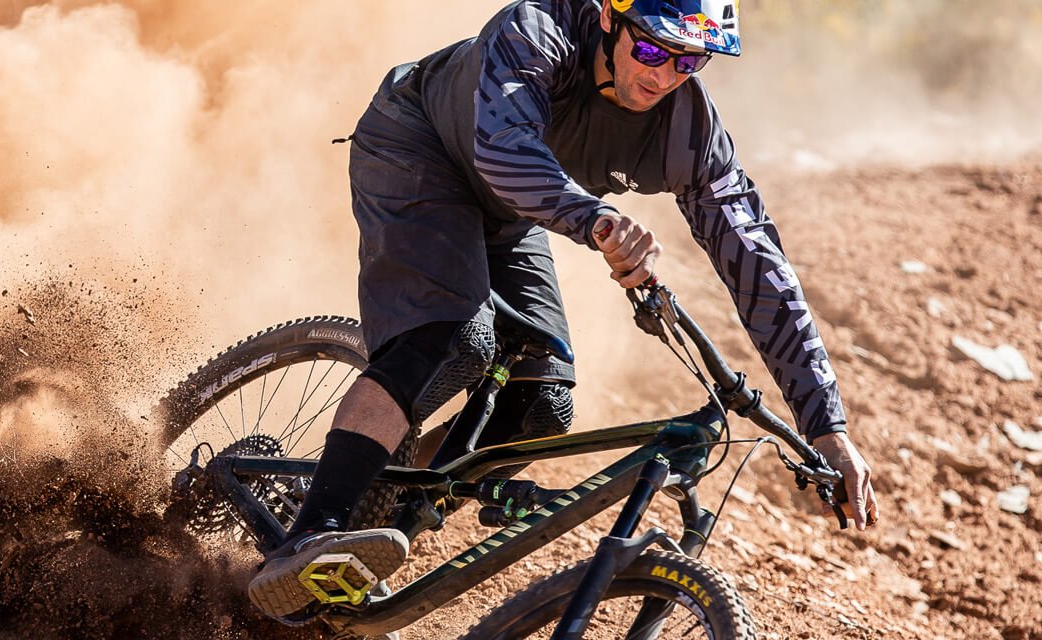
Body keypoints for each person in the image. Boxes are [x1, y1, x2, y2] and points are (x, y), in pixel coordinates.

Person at [247, 0, 880, 620]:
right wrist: (596, 217)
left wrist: (829, 427)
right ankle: (316, 527)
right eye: (654, 47)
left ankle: (373, 520)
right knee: (453, 336)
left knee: (542, 402)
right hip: (419, 146)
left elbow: (761, 272)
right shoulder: (537, 30)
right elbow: (502, 150)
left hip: (512, 213)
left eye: (690, 62)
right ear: (610, 16)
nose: (663, 76)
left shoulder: (689, 132)